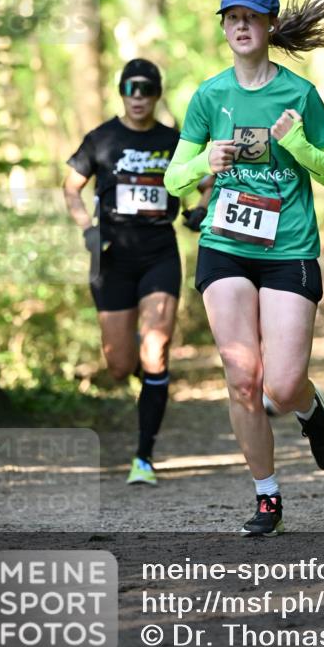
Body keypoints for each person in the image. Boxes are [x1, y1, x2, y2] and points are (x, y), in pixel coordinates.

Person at [164, 0, 324, 536]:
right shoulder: (207, 96)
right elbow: (174, 178)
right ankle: (266, 496)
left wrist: (298, 147)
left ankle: (310, 411)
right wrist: (204, 164)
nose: (241, 26)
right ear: (223, 27)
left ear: (270, 27)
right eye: (232, 18)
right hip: (224, 244)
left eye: (252, 17)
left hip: (288, 247)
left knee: (282, 384)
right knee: (242, 376)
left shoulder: (300, 93)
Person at [64, 59, 201, 486]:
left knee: (155, 351)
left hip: (159, 251)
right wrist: (86, 228)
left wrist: (200, 209)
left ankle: (143, 457)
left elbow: (206, 181)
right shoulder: (101, 139)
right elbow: (71, 187)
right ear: (121, 93)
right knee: (121, 366)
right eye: (131, 89)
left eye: (146, 89)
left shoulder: (175, 141)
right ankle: (147, 371)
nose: (138, 97)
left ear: (157, 94)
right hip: (112, 258)